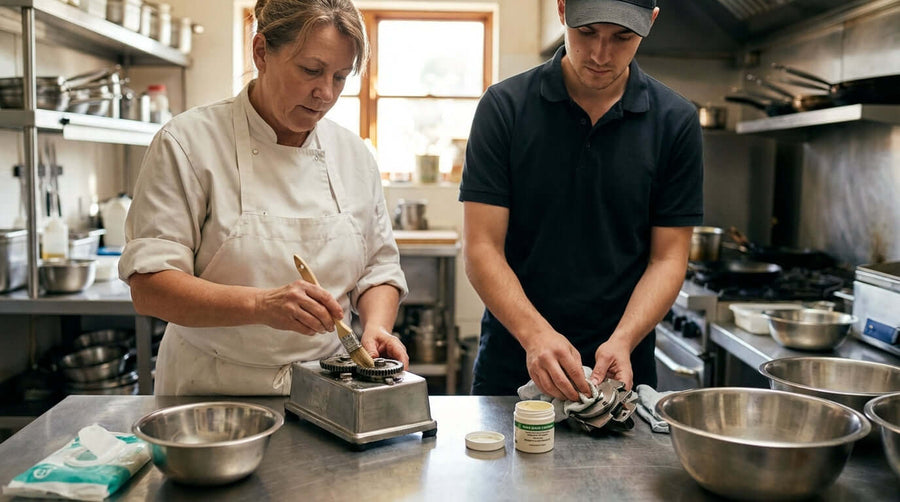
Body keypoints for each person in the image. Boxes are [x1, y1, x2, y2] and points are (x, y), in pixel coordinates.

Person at [120, 0, 409, 396]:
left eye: (340, 77)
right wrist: (260, 305)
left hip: (325, 385)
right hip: (209, 388)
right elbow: (150, 286)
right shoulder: (188, 142)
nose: (325, 93)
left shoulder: (353, 155)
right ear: (261, 53)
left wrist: (377, 326)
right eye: (311, 70)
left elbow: (378, 268)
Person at [459, 0, 702, 401]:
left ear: (650, 22)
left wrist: (623, 339)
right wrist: (536, 336)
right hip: (514, 361)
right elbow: (482, 247)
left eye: (622, 37)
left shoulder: (675, 121)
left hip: (621, 368)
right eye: (586, 32)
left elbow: (669, 257)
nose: (600, 55)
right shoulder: (504, 108)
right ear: (562, 9)